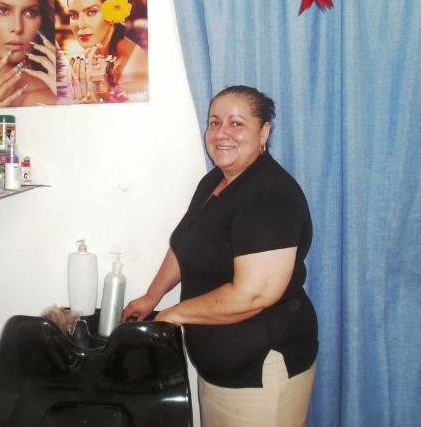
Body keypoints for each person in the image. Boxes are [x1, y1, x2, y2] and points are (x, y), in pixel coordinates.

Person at [123, 86, 318, 427]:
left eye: (236, 123)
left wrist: (173, 314)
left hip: (261, 371)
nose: (221, 133)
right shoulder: (215, 181)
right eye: (214, 122)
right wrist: (152, 296)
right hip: (220, 369)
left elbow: (253, 295)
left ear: (264, 132)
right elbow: (185, 246)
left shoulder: (271, 196)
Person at [64, 0, 148, 103]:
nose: (80, 24)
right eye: (74, 15)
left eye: (91, 12)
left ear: (112, 14)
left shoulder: (134, 63)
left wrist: (96, 98)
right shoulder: (83, 59)